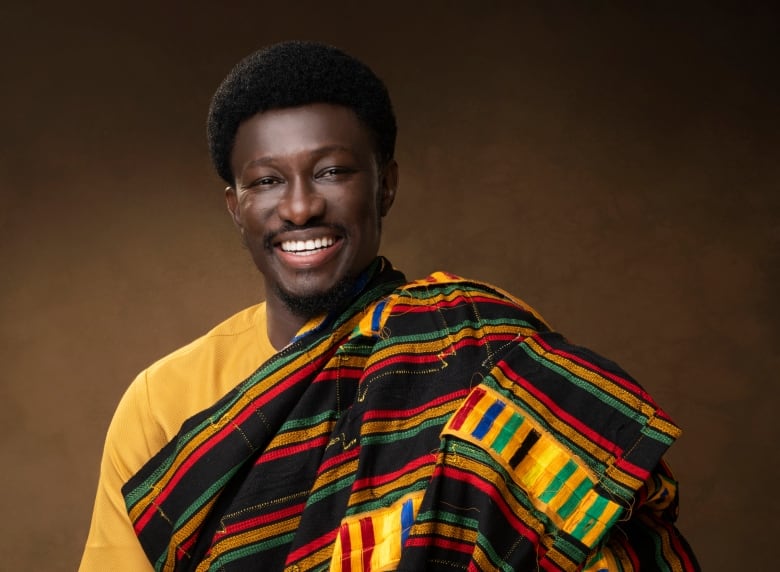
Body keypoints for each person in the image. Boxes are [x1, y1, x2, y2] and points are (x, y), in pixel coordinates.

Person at [80, 41, 699, 571]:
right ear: (234, 206)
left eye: (331, 172)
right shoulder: (163, 402)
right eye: (267, 180)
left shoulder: (481, 351)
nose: (299, 208)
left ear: (387, 184)